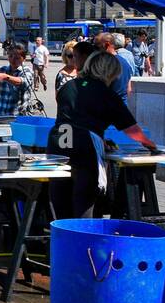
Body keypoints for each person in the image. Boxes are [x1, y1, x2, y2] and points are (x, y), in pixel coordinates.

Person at [50, 51, 158, 219]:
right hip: (85, 146)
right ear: (110, 72)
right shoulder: (106, 93)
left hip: (58, 142)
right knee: (84, 201)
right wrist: (151, 145)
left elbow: (76, 117)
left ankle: (61, 240)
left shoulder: (68, 86)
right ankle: (84, 240)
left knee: (61, 202)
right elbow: (131, 130)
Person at [0, 42, 36, 115]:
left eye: (17, 58)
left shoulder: (26, 70)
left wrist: (5, 77)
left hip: (19, 116)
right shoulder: (3, 70)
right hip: (2, 115)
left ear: (24, 58)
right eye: (10, 56)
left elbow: (22, 82)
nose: (13, 60)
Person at [93, 32, 134, 104]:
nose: (94, 50)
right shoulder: (125, 62)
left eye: (96, 47)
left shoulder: (105, 65)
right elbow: (129, 89)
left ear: (107, 45)